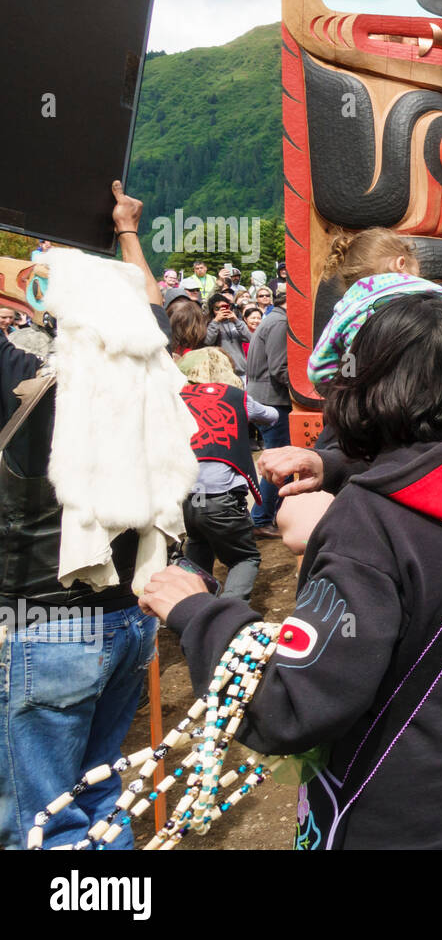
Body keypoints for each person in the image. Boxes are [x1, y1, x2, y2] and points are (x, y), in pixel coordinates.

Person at [139, 296, 442, 849]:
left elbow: (291, 707)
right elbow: (429, 462)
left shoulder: (370, 523)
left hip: (400, 819)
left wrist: (196, 612)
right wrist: (331, 464)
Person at [0, 182, 163, 850]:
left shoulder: (21, 380)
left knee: (41, 822)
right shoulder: (142, 376)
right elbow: (150, 315)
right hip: (126, 618)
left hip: (44, 626)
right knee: (97, 797)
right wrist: (125, 231)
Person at [177, 348, 280, 602]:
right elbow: (272, 416)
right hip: (222, 497)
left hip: (186, 494)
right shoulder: (236, 396)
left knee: (199, 544)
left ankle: (195, 608)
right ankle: (228, 614)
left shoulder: (177, 397)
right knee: (244, 557)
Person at [246, 289, 290, 537]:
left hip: (265, 397)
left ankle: (266, 516)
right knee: (278, 463)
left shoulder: (272, 319)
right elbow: (279, 368)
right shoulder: (280, 323)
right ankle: (262, 519)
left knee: (275, 460)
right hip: (273, 400)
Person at [205, 292, 253, 375]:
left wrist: (236, 321)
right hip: (221, 372)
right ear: (212, 310)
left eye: (225, 307)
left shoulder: (236, 322)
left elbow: (251, 338)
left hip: (240, 371)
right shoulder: (208, 323)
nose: (222, 310)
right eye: (217, 308)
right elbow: (208, 341)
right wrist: (216, 321)